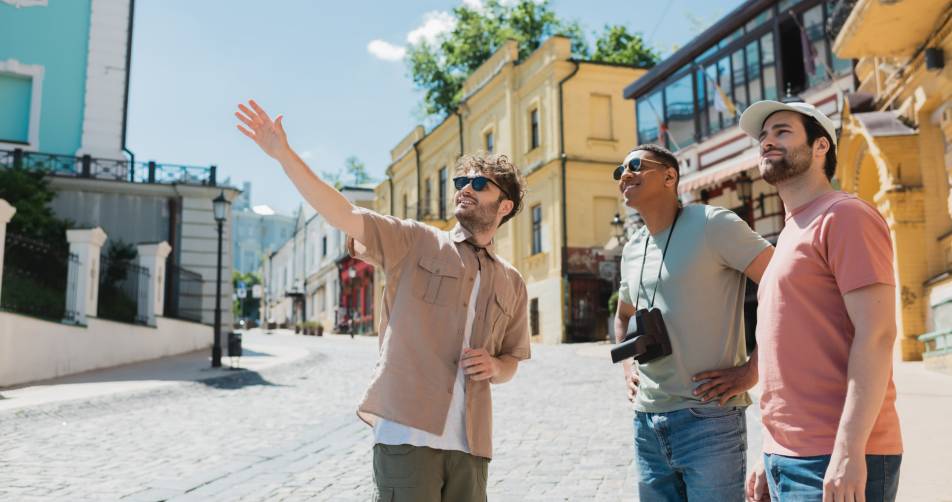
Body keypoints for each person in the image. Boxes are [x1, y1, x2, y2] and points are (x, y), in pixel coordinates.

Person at [235, 100, 531, 501]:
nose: (464, 188)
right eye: (461, 181)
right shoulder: (415, 241)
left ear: (505, 205)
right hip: (407, 436)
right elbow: (343, 213)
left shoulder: (512, 282)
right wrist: (283, 154)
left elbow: (511, 360)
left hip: (472, 446)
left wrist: (495, 366)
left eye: (479, 184)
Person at [737, 100, 902, 502]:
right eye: (763, 136)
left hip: (835, 456)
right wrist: (770, 451)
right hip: (787, 456)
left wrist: (848, 450)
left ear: (820, 146)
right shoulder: (789, 233)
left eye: (782, 131)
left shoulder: (845, 216)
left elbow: (877, 335)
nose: (767, 142)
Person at [613, 143, 773, 501]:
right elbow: (623, 315)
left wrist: (754, 370)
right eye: (619, 171)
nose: (625, 175)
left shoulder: (713, 224)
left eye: (635, 165)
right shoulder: (633, 248)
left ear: (670, 176)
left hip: (709, 419)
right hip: (647, 421)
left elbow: (785, 283)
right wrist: (627, 367)